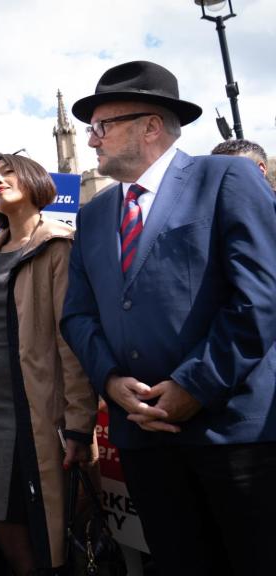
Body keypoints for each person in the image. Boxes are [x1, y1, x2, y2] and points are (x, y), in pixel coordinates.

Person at [61, 60, 276, 576]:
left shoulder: (226, 177)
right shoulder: (92, 215)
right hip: (144, 439)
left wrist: (194, 386)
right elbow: (77, 315)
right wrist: (112, 383)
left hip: (232, 436)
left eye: (102, 127)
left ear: (151, 125)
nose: (92, 141)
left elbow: (260, 297)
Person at [0, 153, 96, 574]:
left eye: (8, 172)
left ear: (35, 181)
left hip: (37, 413)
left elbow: (70, 343)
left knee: (52, 533)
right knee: (6, 526)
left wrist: (78, 422)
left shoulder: (59, 245)